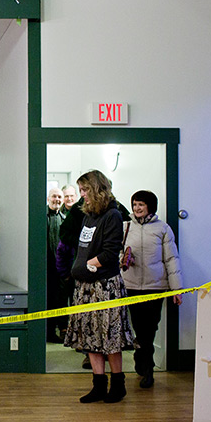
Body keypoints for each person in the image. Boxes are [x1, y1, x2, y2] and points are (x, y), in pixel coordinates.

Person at [63, 170, 135, 404]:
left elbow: (109, 253)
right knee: (90, 337)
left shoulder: (112, 215)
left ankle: (118, 384)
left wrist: (86, 267)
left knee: (110, 337)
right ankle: (98, 385)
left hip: (105, 287)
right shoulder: (88, 216)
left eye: (85, 190)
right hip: (84, 287)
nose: (82, 195)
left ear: (96, 189)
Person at [121, 190, 183, 389]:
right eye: (135, 204)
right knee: (140, 328)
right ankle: (146, 365)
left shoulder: (163, 228)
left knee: (150, 328)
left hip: (156, 287)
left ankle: (146, 367)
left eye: (141, 204)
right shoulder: (125, 227)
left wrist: (177, 289)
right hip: (130, 286)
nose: (137, 208)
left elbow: (172, 259)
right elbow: (116, 253)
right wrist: (123, 260)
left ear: (150, 206)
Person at [46, 187, 67, 343]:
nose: (57, 199)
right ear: (48, 199)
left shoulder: (64, 220)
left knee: (57, 301)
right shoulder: (40, 218)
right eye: (54, 196)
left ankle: (52, 332)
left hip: (58, 270)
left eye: (60, 197)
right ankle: (45, 332)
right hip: (44, 270)